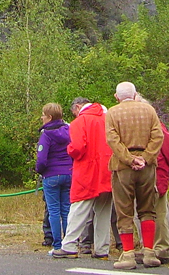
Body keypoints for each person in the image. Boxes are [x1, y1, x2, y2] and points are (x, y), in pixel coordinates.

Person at [105, 82, 164, 270]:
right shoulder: (149, 111)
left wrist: (130, 159)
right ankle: (149, 252)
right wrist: (145, 158)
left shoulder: (113, 113)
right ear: (135, 94)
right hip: (147, 167)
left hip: (123, 167)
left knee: (124, 210)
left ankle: (128, 254)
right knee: (148, 209)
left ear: (117, 97)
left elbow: (112, 140)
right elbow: (158, 136)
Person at [54, 97, 114, 260]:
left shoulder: (80, 122)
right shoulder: (108, 118)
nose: (74, 115)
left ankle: (69, 246)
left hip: (88, 170)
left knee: (79, 207)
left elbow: (78, 147)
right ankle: (102, 249)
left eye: (74, 112)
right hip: (108, 169)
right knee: (103, 211)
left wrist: (69, 149)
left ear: (78, 107)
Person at [139, 95, 169, 264]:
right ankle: (150, 247)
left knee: (158, 213)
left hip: (157, 173)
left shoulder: (157, 128)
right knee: (148, 213)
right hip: (152, 173)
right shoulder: (154, 127)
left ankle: (161, 249)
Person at [36, 103, 73, 253]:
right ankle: (69, 243)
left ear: (50, 117)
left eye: (43, 115)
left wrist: (40, 170)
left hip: (51, 175)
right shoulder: (69, 130)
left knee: (53, 211)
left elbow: (42, 159)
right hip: (69, 173)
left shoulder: (46, 134)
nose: (41, 117)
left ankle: (57, 245)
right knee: (66, 209)